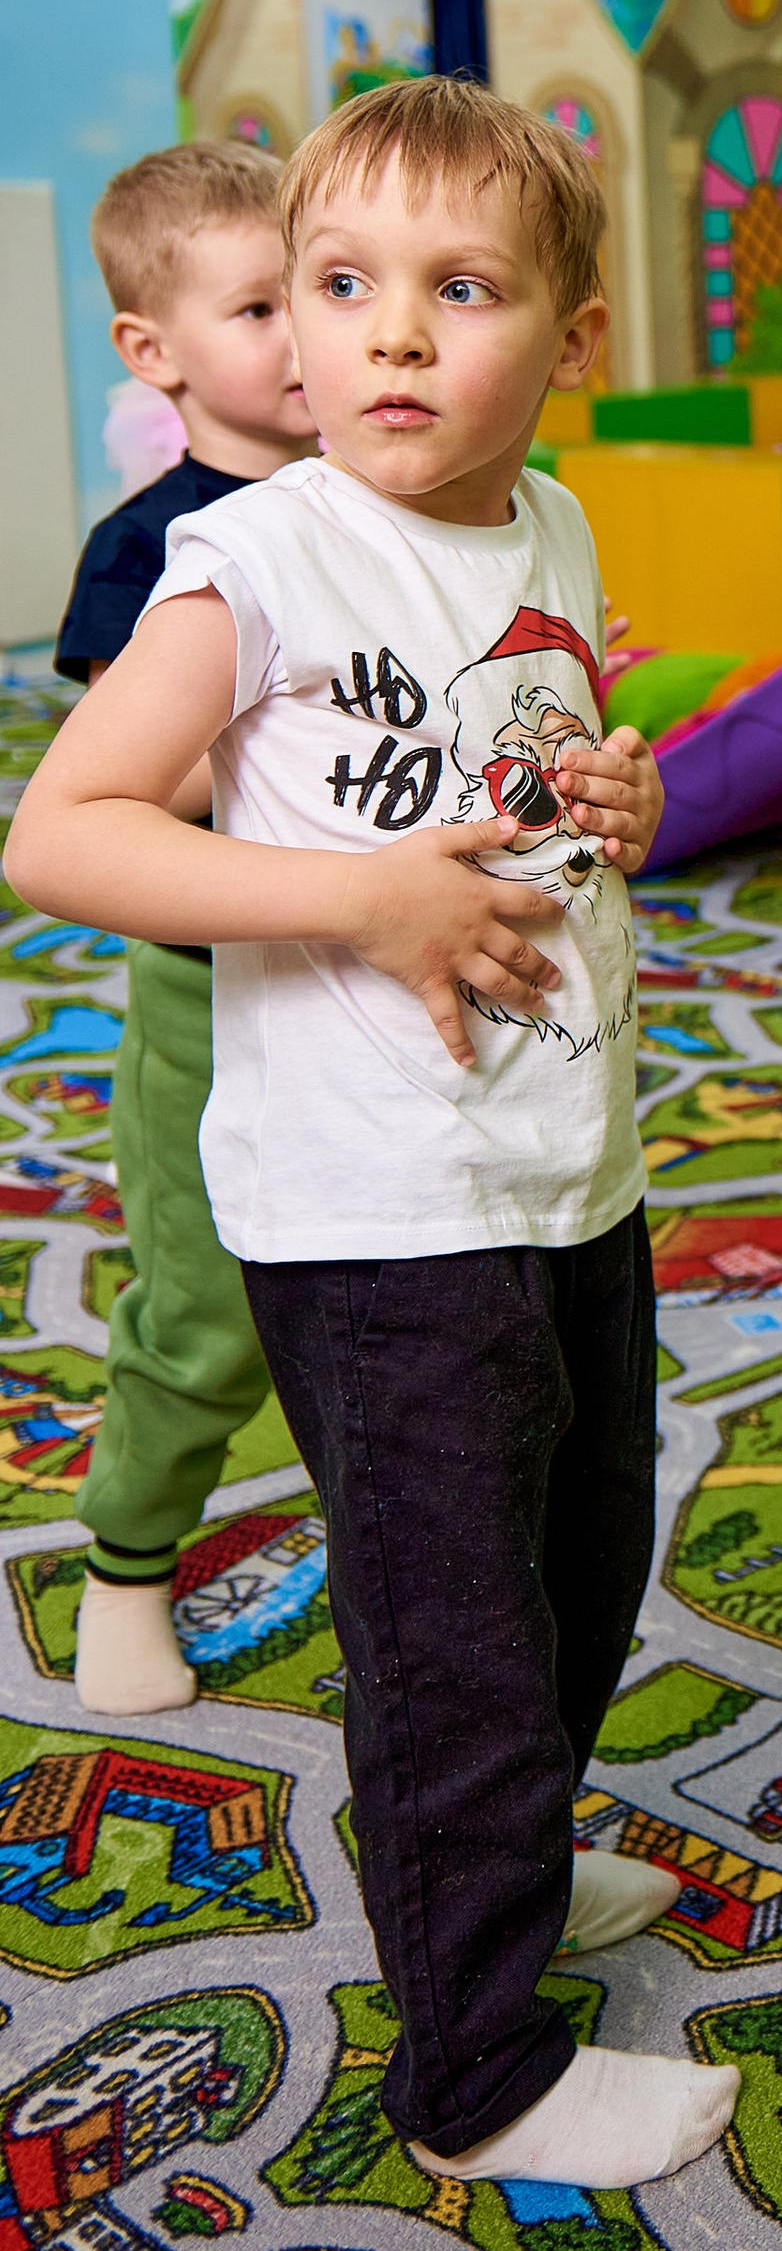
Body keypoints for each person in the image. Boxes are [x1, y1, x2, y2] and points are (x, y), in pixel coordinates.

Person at [8, 78, 737, 2193]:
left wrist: (628, 796)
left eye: (460, 287)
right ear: (288, 336)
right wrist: (368, 896)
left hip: (560, 1165)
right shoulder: (250, 558)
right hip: (369, 1202)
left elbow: (540, 758)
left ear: (573, 342)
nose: (394, 335)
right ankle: (480, 2066)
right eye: (344, 286)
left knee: (582, 1551)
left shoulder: (555, 529)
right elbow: (66, 833)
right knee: (453, 1633)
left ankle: (490, 1874)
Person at [57, 142, 312, 1717]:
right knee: (207, 1310)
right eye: (262, 304)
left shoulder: (380, 494)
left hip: (384, 975)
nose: (311, 334)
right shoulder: (148, 547)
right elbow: (130, 781)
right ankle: (129, 1558)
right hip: (210, 993)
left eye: (327, 288)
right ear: (156, 350)